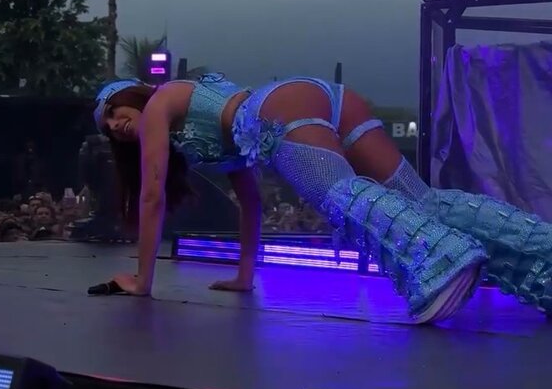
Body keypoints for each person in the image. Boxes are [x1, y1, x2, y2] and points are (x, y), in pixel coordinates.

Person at [93, 73, 552, 324]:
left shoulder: (159, 105)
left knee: (337, 194)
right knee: (423, 201)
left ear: (132, 95)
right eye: (108, 128)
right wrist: (244, 276)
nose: (115, 125)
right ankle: (542, 257)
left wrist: (142, 280)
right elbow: (249, 200)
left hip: (276, 111)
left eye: (113, 111)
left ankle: (442, 261)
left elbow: (151, 195)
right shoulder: (202, 116)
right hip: (323, 97)